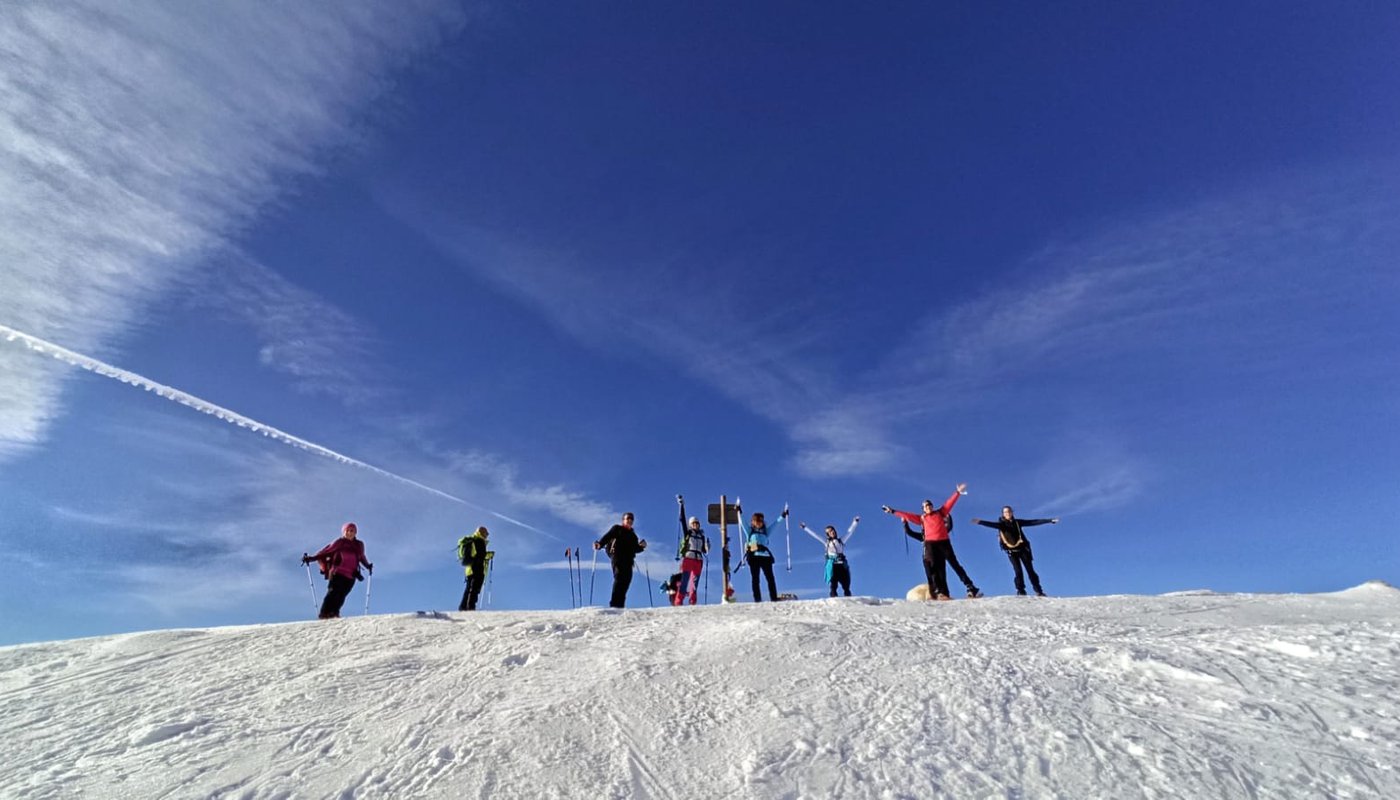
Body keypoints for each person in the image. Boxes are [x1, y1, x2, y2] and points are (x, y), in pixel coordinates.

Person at [883, 484, 982, 600]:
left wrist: (958, 492)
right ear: (923, 509)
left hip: (944, 543)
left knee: (955, 565)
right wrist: (893, 511)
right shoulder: (921, 518)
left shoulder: (940, 513)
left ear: (932, 506)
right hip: (931, 544)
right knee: (935, 568)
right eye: (925, 506)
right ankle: (940, 592)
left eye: (929, 504)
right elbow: (907, 516)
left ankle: (971, 588)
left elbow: (949, 503)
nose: (928, 506)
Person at [972, 506, 1058, 596]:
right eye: (1005, 512)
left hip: (1023, 549)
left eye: (1009, 511)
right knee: (1018, 571)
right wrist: (980, 522)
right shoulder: (1001, 525)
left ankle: (1039, 591)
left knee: (1030, 570)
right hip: (1011, 552)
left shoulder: (1017, 522)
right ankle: (1021, 591)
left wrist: (1049, 520)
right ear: (1003, 514)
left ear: (1012, 512)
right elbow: (991, 524)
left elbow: (1032, 522)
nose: (1007, 513)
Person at [303, 522, 373, 619]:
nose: (349, 533)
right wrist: (311, 558)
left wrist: (367, 565)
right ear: (344, 532)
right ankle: (324, 614)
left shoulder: (359, 545)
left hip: (351, 575)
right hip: (337, 572)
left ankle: (334, 613)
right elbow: (325, 552)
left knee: (342, 595)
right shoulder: (339, 542)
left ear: (355, 532)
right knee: (333, 592)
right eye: (347, 530)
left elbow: (361, 557)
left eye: (352, 530)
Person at [595, 512, 647, 608]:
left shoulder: (633, 536)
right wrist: (600, 544)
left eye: (631, 520)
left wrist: (642, 546)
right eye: (627, 519)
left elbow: (635, 548)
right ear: (623, 520)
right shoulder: (617, 529)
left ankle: (620, 605)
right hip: (617, 556)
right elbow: (608, 536)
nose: (629, 521)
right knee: (619, 577)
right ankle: (614, 604)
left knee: (627, 580)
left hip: (628, 560)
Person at [800, 516, 860, 597]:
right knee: (833, 585)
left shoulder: (841, 541)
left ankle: (849, 600)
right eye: (830, 531)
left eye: (833, 530)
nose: (833, 532)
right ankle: (833, 599)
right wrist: (805, 528)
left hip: (842, 565)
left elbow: (849, 532)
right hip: (833, 565)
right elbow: (816, 535)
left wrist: (855, 522)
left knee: (846, 585)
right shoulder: (826, 542)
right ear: (827, 534)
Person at [737, 507, 785, 602]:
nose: (759, 523)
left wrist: (782, 516)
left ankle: (773, 597)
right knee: (755, 578)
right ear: (753, 522)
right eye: (756, 521)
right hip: (754, 556)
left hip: (765, 557)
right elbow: (742, 523)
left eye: (761, 521)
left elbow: (775, 524)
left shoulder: (765, 532)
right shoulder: (750, 532)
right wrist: (739, 511)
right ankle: (757, 599)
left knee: (770, 578)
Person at [457, 526, 495, 611]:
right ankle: (470, 608)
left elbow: (477, 554)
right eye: (486, 533)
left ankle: (463, 607)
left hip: (469, 569)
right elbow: (481, 556)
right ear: (482, 533)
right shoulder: (479, 541)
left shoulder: (473, 540)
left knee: (468, 589)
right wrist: (490, 555)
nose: (487, 535)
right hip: (477, 568)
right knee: (474, 589)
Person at [674, 516, 709, 606]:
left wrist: (707, 546)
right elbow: (683, 523)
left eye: (697, 523)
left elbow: (704, 550)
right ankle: (678, 601)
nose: (696, 525)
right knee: (685, 580)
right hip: (688, 558)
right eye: (694, 523)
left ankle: (692, 601)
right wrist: (682, 506)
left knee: (694, 582)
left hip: (698, 560)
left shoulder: (702, 536)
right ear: (691, 525)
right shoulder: (688, 533)